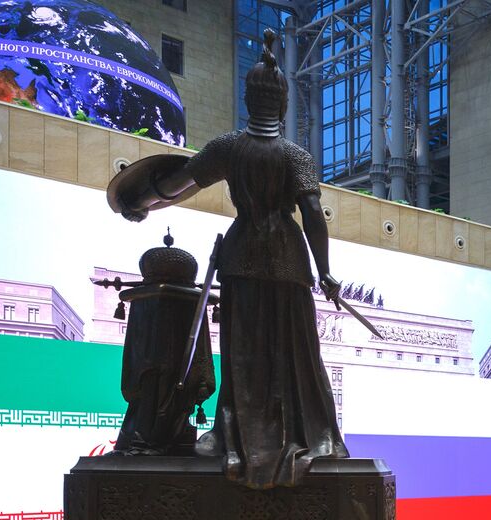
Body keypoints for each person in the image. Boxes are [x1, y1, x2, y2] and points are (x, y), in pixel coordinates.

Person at [117, 29, 346, 489]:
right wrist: (325, 271)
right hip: (288, 257)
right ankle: (302, 432)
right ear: (282, 104)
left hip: (242, 255)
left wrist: (137, 198)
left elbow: (178, 183)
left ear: (248, 100)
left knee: (245, 352)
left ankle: (239, 434)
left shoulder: (228, 147)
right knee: (296, 353)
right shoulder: (295, 155)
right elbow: (313, 215)